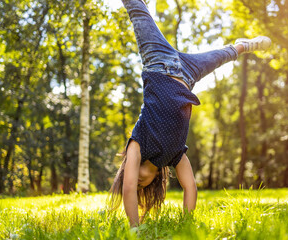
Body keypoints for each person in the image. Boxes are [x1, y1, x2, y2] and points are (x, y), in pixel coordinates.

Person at [107, 0, 271, 227]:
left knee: (136, 9)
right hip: (186, 73)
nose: (138, 182)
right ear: (156, 180)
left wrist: (133, 230)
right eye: (141, 187)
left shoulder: (138, 144)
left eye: (134, 180)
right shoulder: (174, 156)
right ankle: (242, 46)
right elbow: (190, 186)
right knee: (222, 56)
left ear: (130, 170)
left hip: (158, 62)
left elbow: (127, 188)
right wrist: (187, 225)